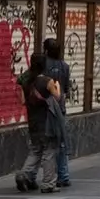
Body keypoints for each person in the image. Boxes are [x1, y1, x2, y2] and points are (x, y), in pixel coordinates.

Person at [14, 65, 63, 193]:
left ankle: (24, 175)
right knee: (48, 152)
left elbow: (23, 101)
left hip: (33, 122)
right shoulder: (47, 81)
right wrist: (58, 86)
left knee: (35, 150)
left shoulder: (26, 81)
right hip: (47, 122)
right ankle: (48, 183)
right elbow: (57, 97)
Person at [39, 38, 73, 188]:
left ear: (46, 50)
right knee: (62, 141)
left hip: (46, 109)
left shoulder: (42, 66)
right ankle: (63, 174)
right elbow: (65, 89)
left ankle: (47, 176)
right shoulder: (65, 66)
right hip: (60, 108)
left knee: (47, 144)